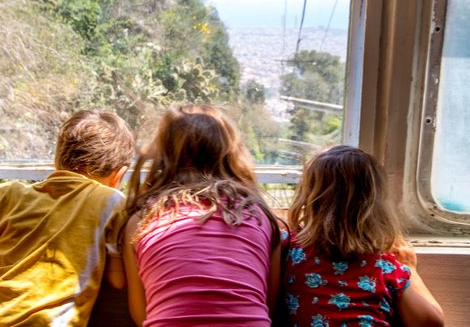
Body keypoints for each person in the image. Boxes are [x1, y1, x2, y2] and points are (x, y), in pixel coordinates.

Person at [0, 110, 135, 326]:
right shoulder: (112, 203)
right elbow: (117, 281)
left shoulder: (8, 196)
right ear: (119, 175)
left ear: (56, 161)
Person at [120, 104, 282, 326]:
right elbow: (266, 306)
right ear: (230, 154)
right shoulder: (259, 216)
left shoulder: (141, 221)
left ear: (164, 155)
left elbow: (141, 314)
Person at [282, 145, 444, 327]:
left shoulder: (290, 250)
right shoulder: (385, 266)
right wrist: (410, 269)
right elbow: (431, 322)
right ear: (376, 208)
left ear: (309, 199)